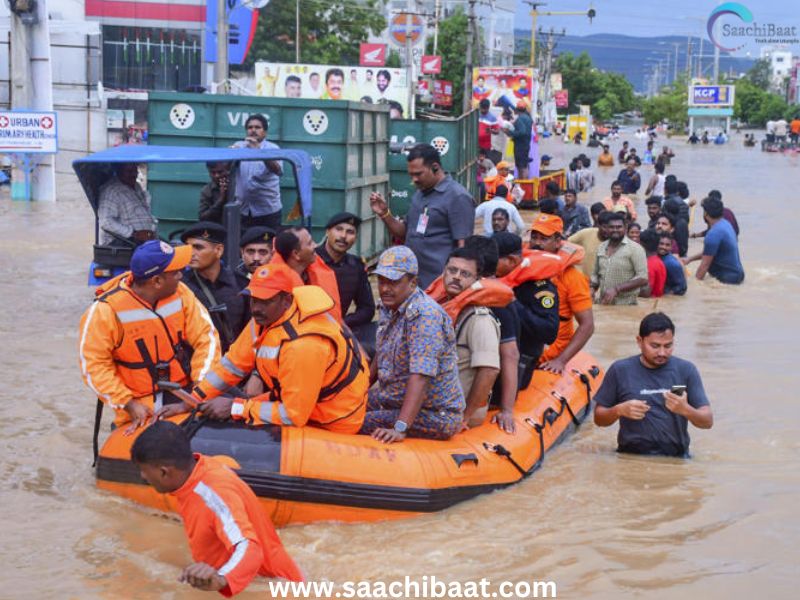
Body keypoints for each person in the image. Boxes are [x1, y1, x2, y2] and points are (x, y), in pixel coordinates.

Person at [190, 264, 368, 433]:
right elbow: (232, 365)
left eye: (265, 301)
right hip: (300, 401)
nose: (256, 308)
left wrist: (234, 408)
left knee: (240, 410)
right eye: (253, 300)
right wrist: (195, 398)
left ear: (287, 300)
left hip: (333, 418)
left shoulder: (304, 344)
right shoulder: (264, 320)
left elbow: (293, 415)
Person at [130, 422, 303, 595]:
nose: (142, 476)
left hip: (273, 587)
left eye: (143, 470)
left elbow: (250, 548)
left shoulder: (212, 495)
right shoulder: (199, 470)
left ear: (163, 472)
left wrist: (221, 578)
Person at [78, 240, 220, 432]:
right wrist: (128, 403)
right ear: (157, 281)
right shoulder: (104, 311)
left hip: (183, 391)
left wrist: (199, 391)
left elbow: (207, 338)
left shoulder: (181, 293)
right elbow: (93, 366)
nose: (181, 275)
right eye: (175, 272)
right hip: (137, 403)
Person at [361, 247, 465, 442]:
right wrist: (360, 391)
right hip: (392, 398)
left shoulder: (425, 316)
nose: (384, 288)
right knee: (342, 406)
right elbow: (381, 354)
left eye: (393, 282)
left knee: (355, 421)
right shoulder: (388, 305)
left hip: (435, 413)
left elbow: (421, 376)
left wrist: (400, 427)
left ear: (413, 283)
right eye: (381, 281)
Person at [593, 312, 713, 457]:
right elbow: (599, 419)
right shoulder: (620, 370)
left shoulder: (685, 371)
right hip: (630, 459)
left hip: (675, 460)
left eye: (668, 346)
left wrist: (686, 409)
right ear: (639, 341)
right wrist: (618, 410)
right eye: (655, 346)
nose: (662, 352)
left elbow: (707, 421)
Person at [370, 144, 475, 288]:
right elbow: (404, 233)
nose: (414, 180)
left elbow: (464, 247)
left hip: (439, 286)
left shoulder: (457, 197)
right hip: (413, 281)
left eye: (418, 174)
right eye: (411, 175)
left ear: (435, 167)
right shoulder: (420, 193)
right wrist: (384, 214)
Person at [438, 247, 502, 429]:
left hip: (460, 410)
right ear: (443, 272)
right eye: (452, 271)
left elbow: (489, 371)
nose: (456, 277)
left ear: (476, 280)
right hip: (440, 402)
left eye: (465, 273)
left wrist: (465, 417)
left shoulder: (480, 320)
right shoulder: (444, 308)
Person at [463, 235, 519, 433]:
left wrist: (507, 410)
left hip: (489, 390)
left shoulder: (497, 301)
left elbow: (510, 354)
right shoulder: (472, 294)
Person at [530, 215, 595, 375]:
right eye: (534, 237)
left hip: (551, 352)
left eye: (544, 238)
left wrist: (561, 360)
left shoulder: (572, 277)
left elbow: (587, 325)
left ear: (558, 241)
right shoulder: (523, 269)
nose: (537, 243)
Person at [494, 232, 560, 388]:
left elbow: (549, 332)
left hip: (519, 363)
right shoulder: (491, 279)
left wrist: (513, 304)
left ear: (511, 260)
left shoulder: (541, 288)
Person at [181, 222, 249, 353]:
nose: (191, 253)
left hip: (234, 363)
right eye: (188, 248)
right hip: (197, 363)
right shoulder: (181, 286)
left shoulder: (241, 284)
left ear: (218, 250)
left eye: (198, 247)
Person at [316, 212, 376, 331]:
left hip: (338, 330)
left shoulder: (356, 266)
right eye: (339, 229)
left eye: (350, 232)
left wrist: (342, 323)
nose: (343, 236)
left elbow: (367, 309)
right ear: (327, 231)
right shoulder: (310, 260)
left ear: (355, 238)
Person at [271, 227, 342, 321]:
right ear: (296, 254)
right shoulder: (277, 290)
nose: (315, 245)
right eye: (309, 243)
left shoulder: (314, 272)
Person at [231, 114, 283, 230]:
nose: (253, 130)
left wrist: (258, 151)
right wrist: (230, 154)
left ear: (265, 132)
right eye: (250, 127)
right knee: (243, 246)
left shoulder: (273, 148)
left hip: (268, 211)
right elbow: (225, 168)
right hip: (243, 210)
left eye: (257, 127)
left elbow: (278, 170)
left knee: (268, 245)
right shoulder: (239, 146)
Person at [682, 196, 744, 284]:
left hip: (727, 278)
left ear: (706, 214)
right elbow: (709, 252)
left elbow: (704, 266)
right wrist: (690, 259)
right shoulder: (726, 224)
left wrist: (695, 286)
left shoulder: (713, 234)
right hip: (738, 274)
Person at [591, 212, 648, 305]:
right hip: (604, 304)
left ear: (625, 228)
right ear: (607, 229)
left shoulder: (635, 249)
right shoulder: (601, 247)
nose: (615, 230)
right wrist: (592, 288)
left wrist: (617, 289)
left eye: (619, 227)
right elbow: (595, 274)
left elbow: (643, 278)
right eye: (612, 227)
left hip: (627, 306)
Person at [97, 162, 157, 246]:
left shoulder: (137, 186)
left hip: (144, 241)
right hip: (123, 245)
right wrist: (134, 233)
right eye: (129, 171)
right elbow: (106, 222)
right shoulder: (111, 191)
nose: (133, 174)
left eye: (135, 170)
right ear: (119, 171)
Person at [568, 205, 609, 280]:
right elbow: (566, 243)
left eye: (610, 227)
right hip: (581, 279)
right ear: (598, 225)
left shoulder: (614, 241)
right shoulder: (586, 233)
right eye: (604, 227)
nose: (607, 230)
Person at [639, 228, 666, 298]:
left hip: (651, 303)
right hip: (657, 299)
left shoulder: (649, 265)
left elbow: (646, 293)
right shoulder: (659, 260)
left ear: (642, 245)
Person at [511, 101, 533, 179]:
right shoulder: (528, 118)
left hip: (520, 145)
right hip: (526, 145)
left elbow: (522, 131)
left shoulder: (519, 118)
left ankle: (522, 184)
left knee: (521, 167)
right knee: (524, 165)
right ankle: (525, 183)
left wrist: (511, 132)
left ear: (517, 109)